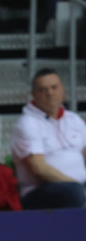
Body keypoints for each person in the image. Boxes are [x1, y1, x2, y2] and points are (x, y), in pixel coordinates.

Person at [11, 68, 86, 209]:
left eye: (54, 87)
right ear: (33, 95)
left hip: (77, 187)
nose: (50, 93)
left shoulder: (74, 120)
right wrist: (79, 187)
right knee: (73, 193)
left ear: (62, 90)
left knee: (75, 192)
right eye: (43, 90)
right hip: (41, 191)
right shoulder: (27, 124)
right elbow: (40, 170)